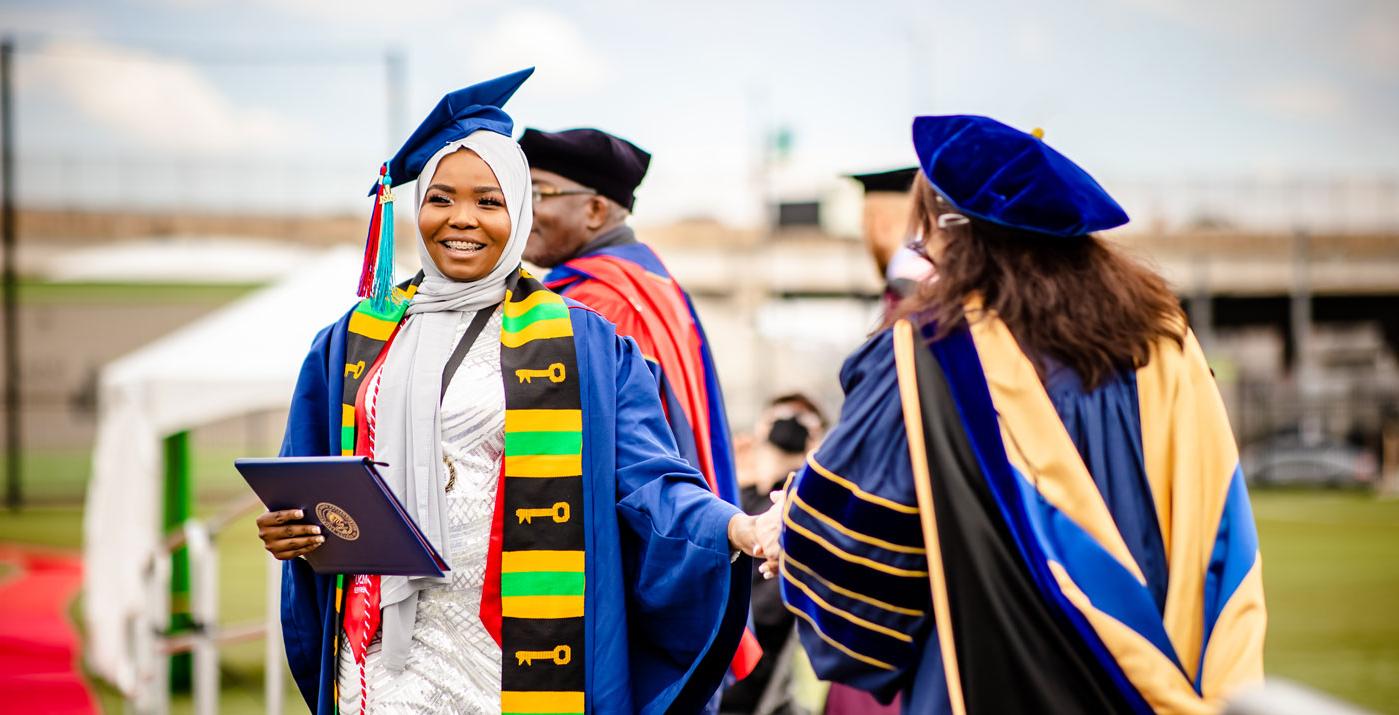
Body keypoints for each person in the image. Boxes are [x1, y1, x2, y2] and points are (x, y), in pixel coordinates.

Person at [256, 69, 780, 715]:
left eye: (489, 201)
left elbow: (648, 482)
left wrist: (736, 525)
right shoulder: (352, 340)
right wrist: (290, 530)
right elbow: (309, 484)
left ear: (520, 212)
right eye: (441, 198)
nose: (461, 220)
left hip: (516, 657)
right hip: (377, 661)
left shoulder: (585, 344)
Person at [772, 115, 1266, 713]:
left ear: (950, 230)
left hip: (990, 682)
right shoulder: (1166, 344)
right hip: (1166, 685)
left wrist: (793, 524)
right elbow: (1217, 530)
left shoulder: (927, 356)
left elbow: (859, 587)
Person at [519, 127, 764, 678]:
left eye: (540, 193)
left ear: (596, 209)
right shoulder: (648, 280)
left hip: (627, 568)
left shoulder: (594, 303)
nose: (524, 209)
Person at [720, 395, 827, 715]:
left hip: (756, 680)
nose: (789, 424)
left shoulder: (813, 506)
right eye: (780, 416)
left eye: (803, 421)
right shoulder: (728, 489)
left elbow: (767, 611)